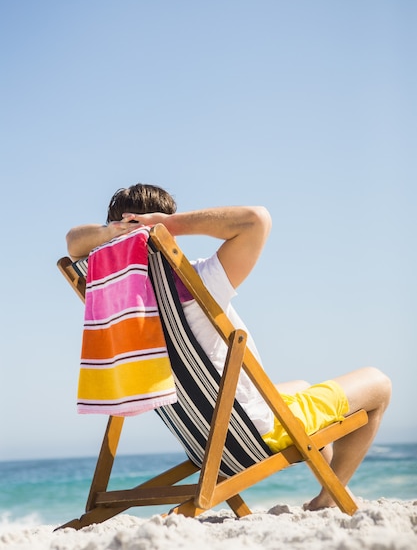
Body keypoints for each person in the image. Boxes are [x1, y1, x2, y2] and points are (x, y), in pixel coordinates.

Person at [66, 183, 391, 511]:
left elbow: (72, 243)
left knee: (302, 387)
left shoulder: (118, 306)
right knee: (379, 384)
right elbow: (255, 220)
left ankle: (325, 483)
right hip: (252, 436)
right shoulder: (196, 281)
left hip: (205, 443)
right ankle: (327, 499)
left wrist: (117, 232)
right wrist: (165, 224)